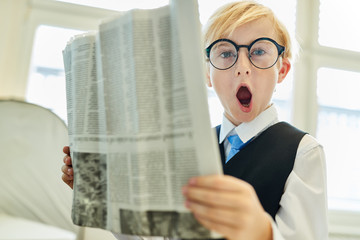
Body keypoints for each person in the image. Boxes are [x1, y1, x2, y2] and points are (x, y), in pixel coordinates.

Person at [62, 1, 328, 239]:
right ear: (207, 74)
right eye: (226, 53)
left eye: (259, 51)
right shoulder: (186, 148)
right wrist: (104, 194)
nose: (242, 66)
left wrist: (263, 232)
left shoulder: (303, 152)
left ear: (282, 70)